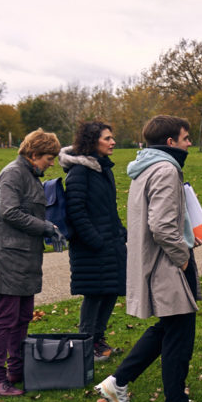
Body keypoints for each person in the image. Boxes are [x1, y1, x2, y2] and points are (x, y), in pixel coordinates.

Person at [96, 115, 202, 402]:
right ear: (170, 142)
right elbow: (162, 226)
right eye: (186, 138)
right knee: (180, 331)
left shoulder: (147, 166)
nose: (190, 143)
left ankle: (117, 382)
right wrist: (182, 256)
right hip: (168, 263)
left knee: (168, 328)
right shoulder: (165, 169)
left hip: (158, 260)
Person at [0, 129, 64, 396]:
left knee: (23, 316)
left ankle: (17, 369)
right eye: (49, 158)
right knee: (4, 319)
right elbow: (10, 212)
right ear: (34, 154)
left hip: (24, 259)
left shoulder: (31, 176)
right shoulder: (13, 174)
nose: (52, 163)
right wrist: (46, 227)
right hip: (5, 259)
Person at [60, 121, 126, 361]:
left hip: (110, 242)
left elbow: (109, 208)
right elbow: (76, 211)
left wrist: (120, 232)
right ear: (92, 141)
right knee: (95, 293)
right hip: (92, 247)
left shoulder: (102, 169)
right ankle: (86, 344)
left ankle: (98, 340)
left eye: (112, 137)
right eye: (107, 138)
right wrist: (95, 240)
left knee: (110, 290)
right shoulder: (80, 172)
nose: (113, 142)